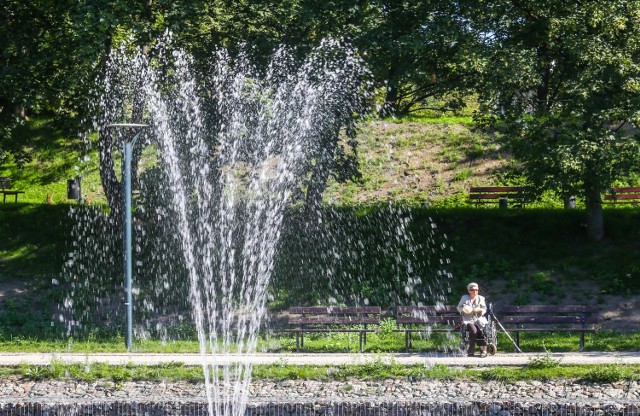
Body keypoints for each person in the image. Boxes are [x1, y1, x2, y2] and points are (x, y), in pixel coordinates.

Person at [456, 282, 488, 357]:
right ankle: (471, 351)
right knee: (474, 331)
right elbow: (459, 307)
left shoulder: (481, 298)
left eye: (476, 290)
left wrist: (479, 310)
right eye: (472, 290)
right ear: (469, 290)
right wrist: (463, 310)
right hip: (468, 320)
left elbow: (484, 308)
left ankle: (483, 350)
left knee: (482, 331)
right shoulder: (464, 298)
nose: (474, 291)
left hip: (479, 319)